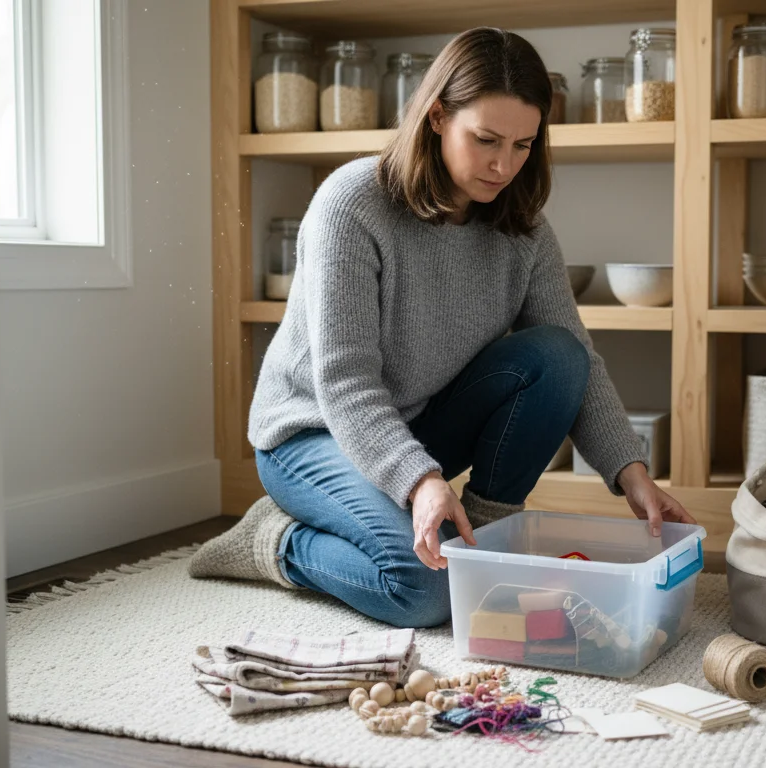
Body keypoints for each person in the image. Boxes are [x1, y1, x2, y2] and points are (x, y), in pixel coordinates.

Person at [190, 27, 695, 627]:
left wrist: (631, 474)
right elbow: (346, 383)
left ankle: (478, 549)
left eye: (523, 144)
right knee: (423, 595)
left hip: (413, 425)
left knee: (558, 357)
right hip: (312, 433)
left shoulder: (524, 232)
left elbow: (578, 359)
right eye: (485, 139)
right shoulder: (352, 204)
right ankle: (276, 541)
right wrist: (421, 481)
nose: (504, 164)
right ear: (436, 117)